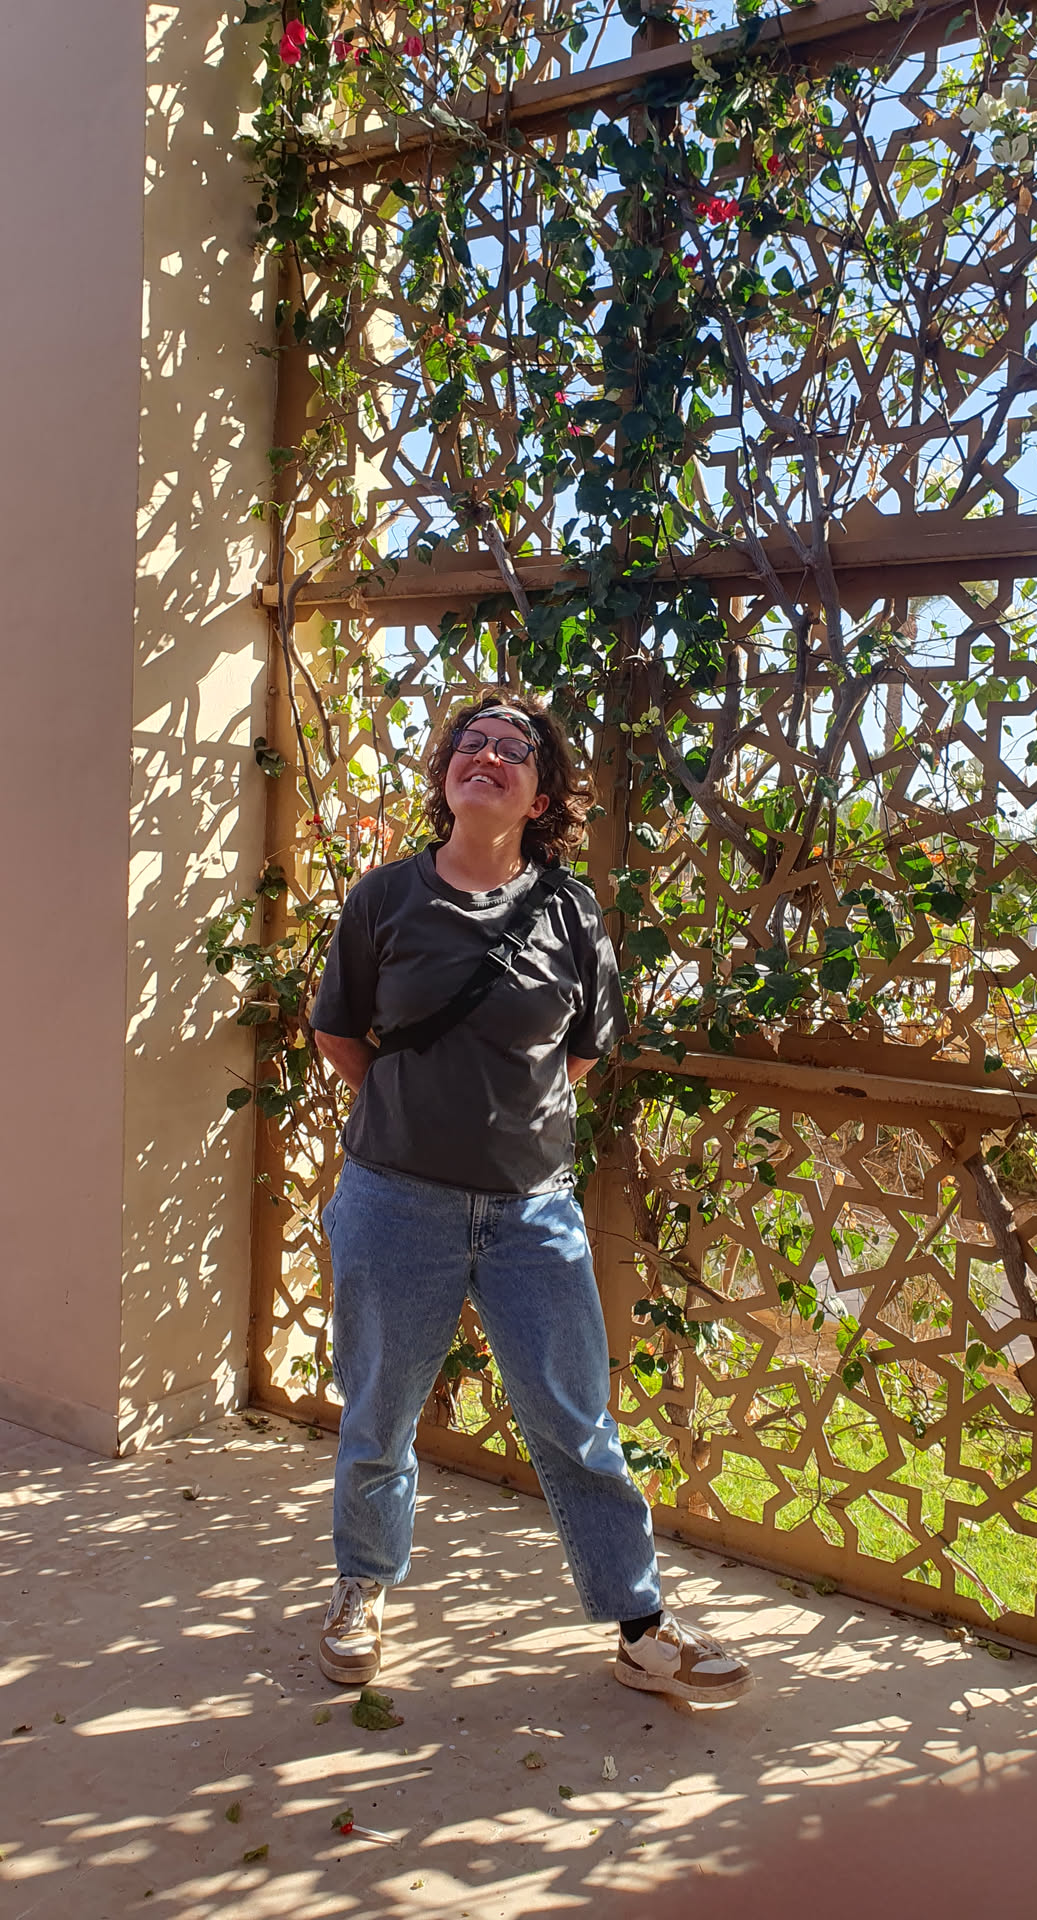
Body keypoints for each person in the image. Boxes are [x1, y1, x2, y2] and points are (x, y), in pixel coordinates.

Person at [307, 693, 751, 1706]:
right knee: (378, 1414)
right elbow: (338, 1032)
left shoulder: (570, 910)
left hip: (531, 1213)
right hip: (395, 1202)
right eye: (472, 742)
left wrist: (503, 1128)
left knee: (575, 1425)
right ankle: (361, 1588)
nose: (489, 756)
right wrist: (415, 1118)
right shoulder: (384, 899)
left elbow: (582, 1051)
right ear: (445, 774)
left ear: (540, 796)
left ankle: (639, 1627)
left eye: (515, 750)